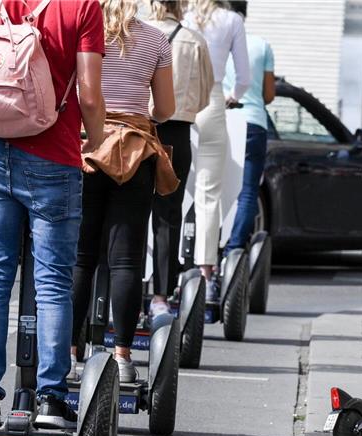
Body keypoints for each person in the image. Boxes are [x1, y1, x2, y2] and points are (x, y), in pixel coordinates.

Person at [0, 0, 106, 429]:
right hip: (55, 157)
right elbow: (89, 93)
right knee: (52, 283)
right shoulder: (83, 7)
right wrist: (96, 139)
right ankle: (51, 399)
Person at [71, 0, 177, 383]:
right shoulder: (156, 40)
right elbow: (165, 109)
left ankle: (68, 354)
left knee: (80, 257)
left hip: (84, 146)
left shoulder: (80, 31)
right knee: (127, 260)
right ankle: (122, 356)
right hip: (133, 150)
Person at [146, 0, 214, 317]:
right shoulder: (194, 41)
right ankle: (161, 295)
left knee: (128, 211)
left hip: (137, 128)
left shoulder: (138, 33)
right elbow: (204, 95)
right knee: (169, 214)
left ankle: (124, 288)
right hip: (176, 132)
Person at [183, 0, 249, 303]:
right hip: (212, 100)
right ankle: (206, 274)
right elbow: (244, 78)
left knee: (168, 189)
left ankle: (161, 275)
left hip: (181, 99)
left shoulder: (184, 16)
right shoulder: (232, 20)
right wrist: (233, 97)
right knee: (208, 194)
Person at [223, 0, 273, 256]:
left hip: (221, 119)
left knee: (213, 188)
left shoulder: (214, 41)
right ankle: (233, 250)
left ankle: (205, 251)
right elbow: (268, 95)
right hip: (253, 122)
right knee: (248, 191)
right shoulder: (261, 46)